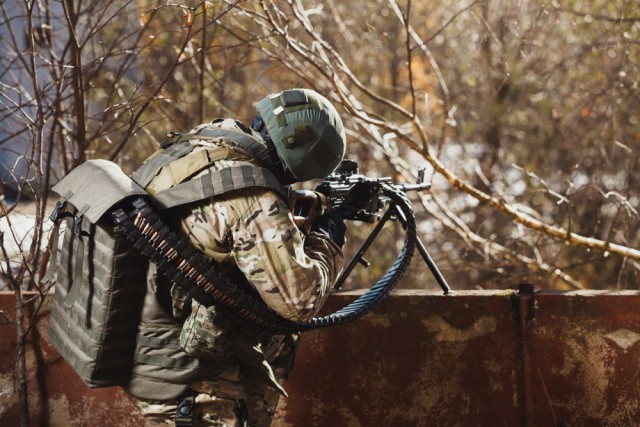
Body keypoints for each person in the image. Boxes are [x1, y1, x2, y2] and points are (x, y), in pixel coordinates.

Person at [124, 88, 348, 426]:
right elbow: (299, 300)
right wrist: (327, 240)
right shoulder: (252, 195)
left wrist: (286, 208)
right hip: (189, 379)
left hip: (151, 346)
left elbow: (213, 225)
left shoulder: (199, 145)